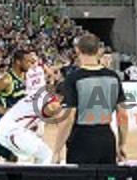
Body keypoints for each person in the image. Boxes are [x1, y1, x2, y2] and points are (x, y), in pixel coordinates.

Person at [52, 33, 128, 164]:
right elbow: (122, 114)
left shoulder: (73, 78)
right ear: (99, 50)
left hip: (81, 140)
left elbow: (68, 118)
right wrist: (122, 144)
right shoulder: (113, 77)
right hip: (107, 138)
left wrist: (57, 150)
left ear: (77, 50)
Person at [0, 50, 34, 162]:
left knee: (12, 157)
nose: (30, 64)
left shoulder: (23, 76)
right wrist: (0, 110)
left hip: (14, 123)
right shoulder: (5, 80)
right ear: (18, 62)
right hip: (1, 122)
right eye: (27, 61)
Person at [0, 82, 64, 164]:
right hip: (13, 131)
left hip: (5, 128)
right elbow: (62, 126)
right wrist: (58, 151)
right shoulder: (53, 103)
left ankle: (34, 175)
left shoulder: (41, 93)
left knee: (39, 154)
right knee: (47, 155)